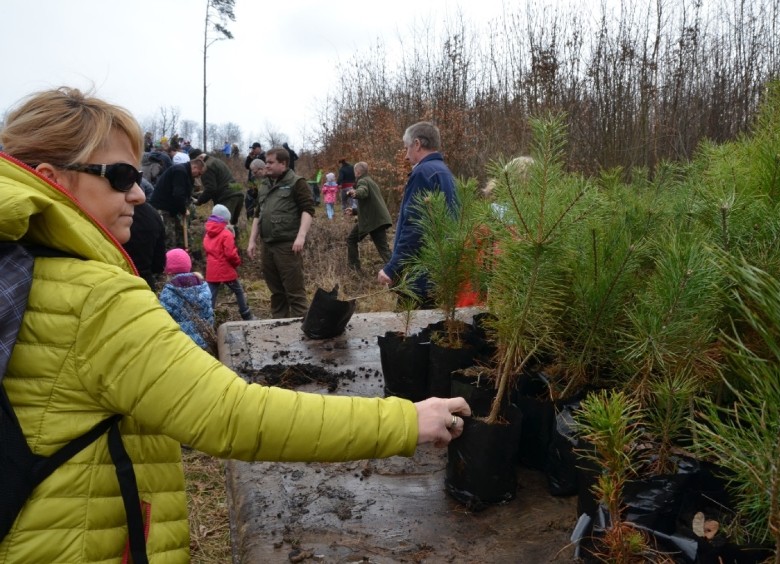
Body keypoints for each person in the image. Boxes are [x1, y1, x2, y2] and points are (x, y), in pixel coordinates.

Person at [0, 86, 469, 563]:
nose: (139, 193)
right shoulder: (94, 298)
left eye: (136, 175)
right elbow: (233, 414)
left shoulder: (21, 266)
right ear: (51, 178)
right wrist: (405, 420)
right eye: (120, 177)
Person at [378, 122, 458, 307]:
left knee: (407, 331)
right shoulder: (445, 172)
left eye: (407, 148)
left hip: (420, 277)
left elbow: (415, 228)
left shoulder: (422, 173)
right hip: (442, 271)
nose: (406, 156)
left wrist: (392, 268)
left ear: (417, 144)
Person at [247, 147, 315, 318]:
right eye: (266, 162)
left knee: (295, 292)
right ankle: (279, 329)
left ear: (283, 164)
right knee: (276, 293)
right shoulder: (264, 185)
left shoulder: (297, 183)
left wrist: (301, 237)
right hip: (267, 245)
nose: (266, 166)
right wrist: (252, 240)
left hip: (288, 246)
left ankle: (304, 331)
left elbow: (308, 210)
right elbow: (258, 213)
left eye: (270, 162)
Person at [204, 204, 255, 320]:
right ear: (225, 220)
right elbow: (230, 254)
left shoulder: (207, 233)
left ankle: (207, 319)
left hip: (212, 270)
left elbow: (208, 250)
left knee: (211, 296)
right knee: (238, 291)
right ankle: (246, 315)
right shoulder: (226, 234)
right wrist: (237, 262)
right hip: (225, 270)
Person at [158, 248, 215, 350]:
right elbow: (209, 315)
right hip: (206, 343)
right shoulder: (203, 287)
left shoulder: (168, 292)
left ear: (168, 271)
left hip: (182, 347)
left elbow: (163, 322)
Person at [149, 156, 205, 249]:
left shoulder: (187, 173)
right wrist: (183, 210)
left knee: (180, 233)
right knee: (169, 239)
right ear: (194, 167)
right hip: (162, 208)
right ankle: (169, 260)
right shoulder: (180, 171)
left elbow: (185, 194)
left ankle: (182, 255)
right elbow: (178, 195)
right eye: (199, 173)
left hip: (172, 208)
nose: (198, 176)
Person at [346, 161, 392, 272]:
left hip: (372, 221)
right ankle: (398, 271)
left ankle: (354, 269)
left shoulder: (362, 181)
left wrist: (355, 193)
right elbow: (370, 203)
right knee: (384, 249)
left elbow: (363, 192)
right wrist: (355, 211)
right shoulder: (371, 182)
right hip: (377, 219)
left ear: (357, 172)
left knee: (351, 240)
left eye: (354, 172)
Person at [188, 149, 244, 239]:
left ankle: (225, 250)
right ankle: (234, 249)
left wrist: (199, 201)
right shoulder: (215, 160)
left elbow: (211, 189)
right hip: (238, 195)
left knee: (221, 227)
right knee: (231, 225)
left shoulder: (206, 166)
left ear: (200, 158)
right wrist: (200, 194)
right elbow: (218, 184)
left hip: (227, 197)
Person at [122, 199, 166, 290]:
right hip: (145, 282)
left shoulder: (106, 213)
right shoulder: (153, 214)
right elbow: (159, 263)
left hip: (115, 283)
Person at [244, 142, 264, 221]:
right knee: (249, 200)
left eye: (254, 148)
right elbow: (246, 166)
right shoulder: (254, 157)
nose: (253, 150)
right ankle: (250, 219)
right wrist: (250, 157)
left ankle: (258, 219)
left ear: (259, 148)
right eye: (252, 148)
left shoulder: (263, 156)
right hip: (252, 183)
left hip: (260, 183)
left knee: (259, 201)